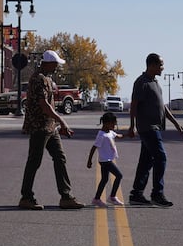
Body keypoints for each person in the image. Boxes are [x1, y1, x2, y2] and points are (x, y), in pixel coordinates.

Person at [19, 50, 83, 210]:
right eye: (55, 64)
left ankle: (66, 197)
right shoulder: (38, 79)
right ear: (47, 63)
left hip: (50, 127)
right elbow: (44, 105)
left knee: (60, 158)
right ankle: (26, 197)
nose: (56, 67)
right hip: (39, 126)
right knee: (34, 161)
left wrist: (56, 123)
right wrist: (62, 121)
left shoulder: (46, 78)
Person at [127, 52, 183, 206]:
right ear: (152, 65)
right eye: (160, 64)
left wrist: (175, 123)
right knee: (161, 157)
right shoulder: (141, 82)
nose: (162, 68)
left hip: (155, 127)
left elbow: (162, 107)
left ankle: (136, 194)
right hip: (147, 127)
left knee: (146, 161)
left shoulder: (156, 83)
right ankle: (157, 194)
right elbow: (134, 105)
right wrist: (132, 126)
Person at [87, 110, 124, 207]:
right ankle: (112, 197)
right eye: (113, 124)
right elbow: (93, 148)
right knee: (119, 175)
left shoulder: (110, 132)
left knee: (104, 179)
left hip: (107, 160)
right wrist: (89, 161)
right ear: (107, 123)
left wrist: (129, 134)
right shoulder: (101, 135)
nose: (115, 125)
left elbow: (118, 136)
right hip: (105, 161)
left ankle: (96, 199)